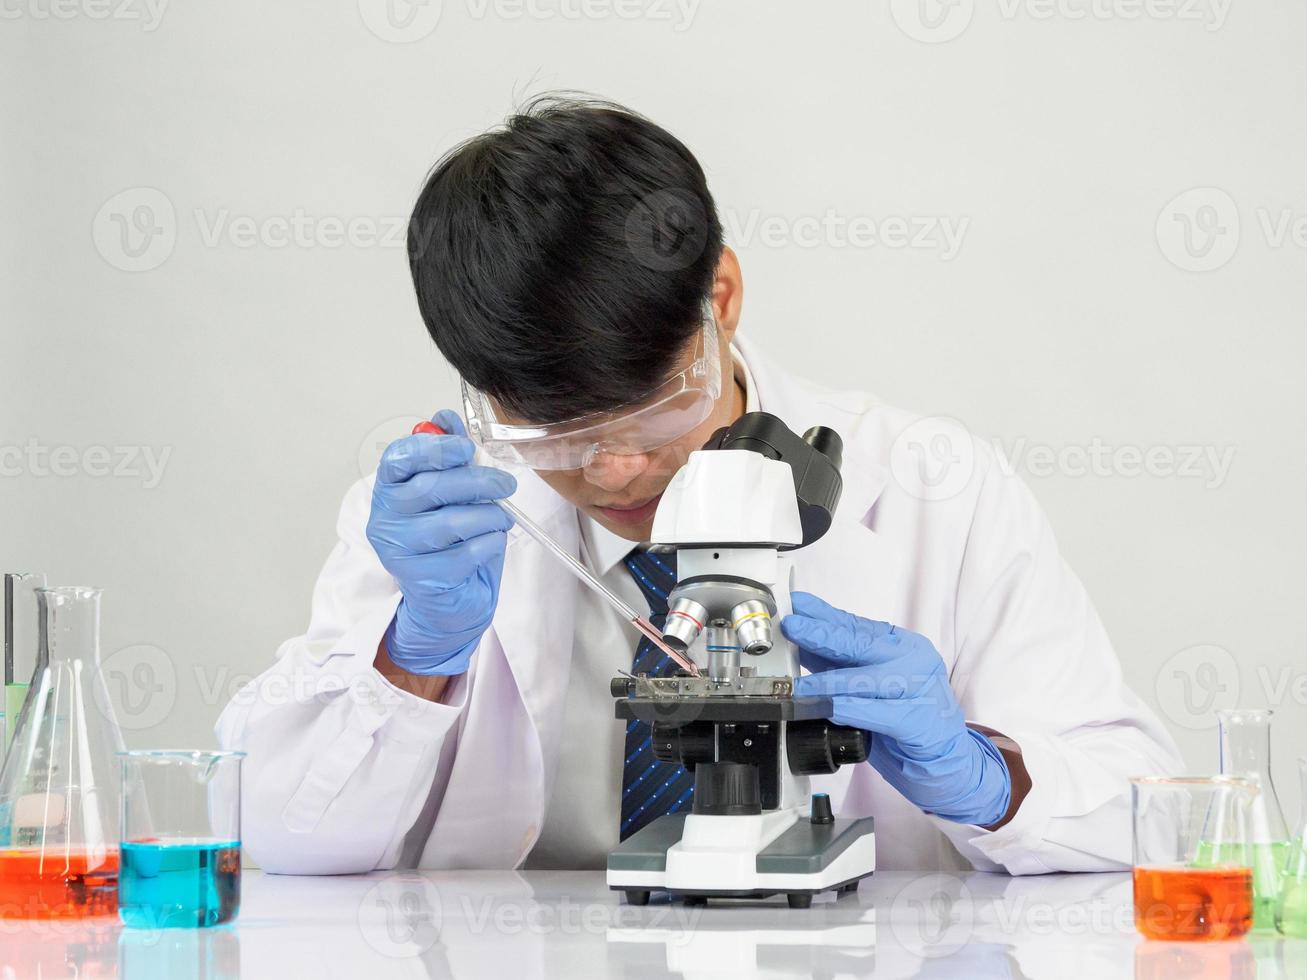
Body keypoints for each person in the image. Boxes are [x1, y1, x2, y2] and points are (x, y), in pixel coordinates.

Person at [217, 96, 1180, 876]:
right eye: (554, 430)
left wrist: (985, 779)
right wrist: (412, 658)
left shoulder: (936, 488)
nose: (611, 469)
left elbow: (1149, 815)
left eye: (648, 409)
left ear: (718, 298)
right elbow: (285, 836)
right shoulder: (447, 519)